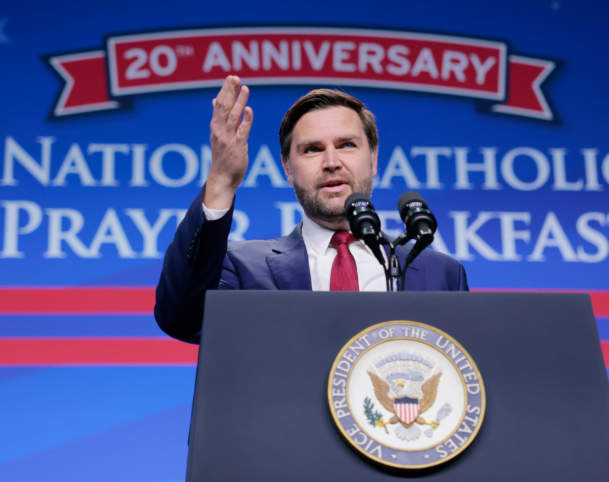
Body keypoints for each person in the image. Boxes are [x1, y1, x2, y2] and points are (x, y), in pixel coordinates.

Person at [155, 75, 468, 343]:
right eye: (312, 149)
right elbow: (181, 317)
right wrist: (221, 181)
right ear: (288, 169)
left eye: (347, 145)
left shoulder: (440, 273)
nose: (332, 162)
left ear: (373, 159)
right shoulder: (241, 268)